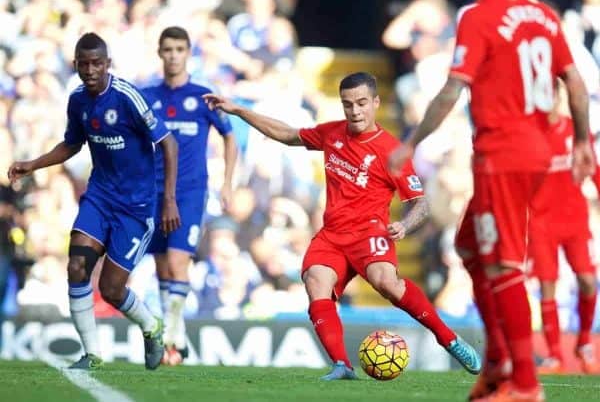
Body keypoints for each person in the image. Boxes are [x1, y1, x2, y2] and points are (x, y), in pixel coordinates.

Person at [203, 71, 482, 380]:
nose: (355, 111)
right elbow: (288, 134)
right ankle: (342, 365)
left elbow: (421, 202)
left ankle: (448, 338)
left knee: (385, 281)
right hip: (332, 235)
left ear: (376, 102)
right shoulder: (332, 133)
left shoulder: (391, 151)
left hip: (370, 233)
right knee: (315, 281)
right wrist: (240, 110)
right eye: (348, 104)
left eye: (362, 103)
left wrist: (404, 225)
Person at [388, 0, 595, 401]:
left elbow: (453, 89)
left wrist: (411, 142)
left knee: (502, 264)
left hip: (503, 154)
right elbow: (575, 83)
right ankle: (499, 361)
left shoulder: (478, 16)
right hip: (535, 151)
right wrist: (583, 141)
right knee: (469, 247)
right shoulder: (545, 16)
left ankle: (525, 383)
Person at [7, 32, 181, 370]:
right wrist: (33, 164)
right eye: (83, 64)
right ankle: (92, 354)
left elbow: (168, 143)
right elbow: (72, 143)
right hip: (99, 197)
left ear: (107, 64)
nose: (90, 70)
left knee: (112, 289)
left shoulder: (128, 96)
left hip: (136, 208)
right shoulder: (77, 101)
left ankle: (151, 326)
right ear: (75, 65)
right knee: (76, 268)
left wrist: (169, 199)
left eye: (96, 63)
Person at [143, 26, 237, 365]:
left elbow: (229, 136)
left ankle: (169, 336)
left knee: (180, 261)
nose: (173, 55)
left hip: (190, 192)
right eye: (167, 49)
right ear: (160, 52)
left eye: (180, 49)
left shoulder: (203, 97)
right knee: (163, 266)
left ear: (188, 53)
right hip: (153, 192)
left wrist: (227, 182)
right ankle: (178, 339)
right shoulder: (147, 96)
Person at [529, 86, 600, 375]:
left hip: (574, 220)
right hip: (540, 223)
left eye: (552, 96)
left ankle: (583, 343)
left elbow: (593, 168)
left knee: (587, 281)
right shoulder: (528, 137)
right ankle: (555, 355)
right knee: (548, 285)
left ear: (559, 98)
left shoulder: (574, 131)